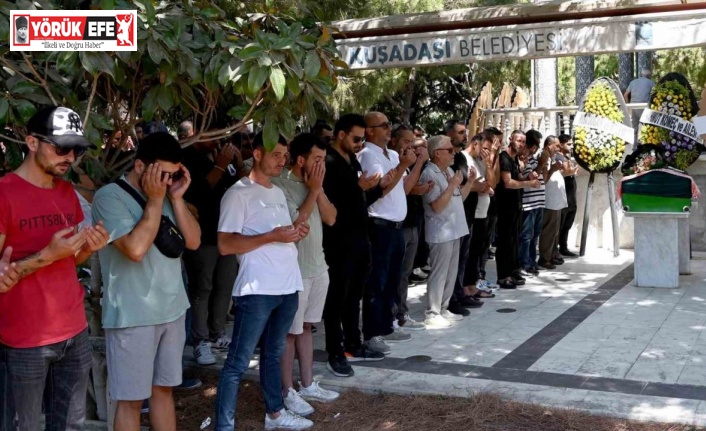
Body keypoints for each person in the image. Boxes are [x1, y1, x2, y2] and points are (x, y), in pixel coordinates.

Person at [0, 106, 109, 429]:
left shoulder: (65, 193)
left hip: (73, 332)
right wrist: (45, 255)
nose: (70, 157)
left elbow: (70, 261)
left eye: (76, 149)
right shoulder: (4, 194)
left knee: (71, 425)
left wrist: (87, 247)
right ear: (31, 142)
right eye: (61, 148)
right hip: (22, 340)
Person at [93, 132, 201, 431]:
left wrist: (176, 200)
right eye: (162, 174)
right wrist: (155, 201)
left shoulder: (167, 194)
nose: (167, 181)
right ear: (140, 166)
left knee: (163, 390)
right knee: (130, 400)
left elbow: (193, 241)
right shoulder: (109, 197)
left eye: (173, 174)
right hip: (133, 315)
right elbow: (135, 249)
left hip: (173, 309)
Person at [215, 133, 312, 431]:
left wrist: (295, 233)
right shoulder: (237, 193)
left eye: (284, 155)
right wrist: (273, 236)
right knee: (237, 363)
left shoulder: (277, 192)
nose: (282, 160)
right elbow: (225, 245)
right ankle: (224, 425)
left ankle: (275, 414)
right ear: (257, 154)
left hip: (286, 286)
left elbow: (279, 235)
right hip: (256, 290)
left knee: (273, 353)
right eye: (276, 154)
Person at [272, 134, 340, 418]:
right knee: (289, 333)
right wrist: (313, 190)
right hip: (293, 273)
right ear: (301, 160)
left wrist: (318, 189)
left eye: (324, 160)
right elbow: (294, 222)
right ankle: (287, 391)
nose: (322, 166)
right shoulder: (280, 185)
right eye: (317, 160)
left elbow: (331, 217)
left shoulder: (316, 184)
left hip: (318, 267)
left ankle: (308, 383)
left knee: (308, 328)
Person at [322, 114, 386, 378]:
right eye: (357, 138)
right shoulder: (327, 160)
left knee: (353, 296)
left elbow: (359, 199)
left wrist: (375, 188)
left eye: (362, 138)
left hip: (360, 237)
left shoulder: (351, 160)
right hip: (338, 240)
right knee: (336, 298)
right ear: (340, 134)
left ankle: (352, 343)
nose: (360, 143)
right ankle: (334, 352)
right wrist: (357, 188)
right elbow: (329, 200)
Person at [358, 111, 416, 354]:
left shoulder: (392, 154)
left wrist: (413, 165)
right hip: (379, 225)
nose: (388, 128)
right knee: (377, 282)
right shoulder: (367, 155)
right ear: (369, 130)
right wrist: (403, 165)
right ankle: (372, 333)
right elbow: (381, 189)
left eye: (388, 123)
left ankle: (386, 325)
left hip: (396, 226)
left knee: (392, 281)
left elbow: (402, 188)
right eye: (382, 125)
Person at [182, 135, 243, 365]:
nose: (221, 140)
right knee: (202, 287)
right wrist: (220, 164)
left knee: (225, 284)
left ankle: (218, 333)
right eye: (215, 135)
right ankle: (200, 340)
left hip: (227, 233)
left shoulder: (220, 156)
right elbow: (199, 193)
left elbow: (238, 188)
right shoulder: (188, 158)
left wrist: (236, 164)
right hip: (203, 235)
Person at [420, 136, 476, 328]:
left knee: (451, 274)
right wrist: (452, 185)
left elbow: (458, 199)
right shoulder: (430, 173)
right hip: (440, 231)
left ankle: (444, 308)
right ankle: (432, 312)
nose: (454, 153)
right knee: (439, 273)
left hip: (455, 230)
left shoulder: (448, 171)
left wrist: (468, 183)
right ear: (437, 153)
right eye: (449, 150)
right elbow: (436, 206)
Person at [390, 125, 430, 331]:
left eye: (411, 142)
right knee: (394, 274)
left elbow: (406, 188)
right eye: (406, 141)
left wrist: (419, 189)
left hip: (412, 221)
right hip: (397, 226)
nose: (410, 146)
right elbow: (400, 189)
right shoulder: (394, 161)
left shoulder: (405, 163)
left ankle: (402, 313)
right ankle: (391, 316)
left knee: (404, 274)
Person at [495, 130, 540, 289]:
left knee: (514, 240)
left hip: (516, 205)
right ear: (510, 139)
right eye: (518, 141)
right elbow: (507, 182)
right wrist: (529, 184)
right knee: (505, 242)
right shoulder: (504, 158)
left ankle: (513, 271)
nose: (521, 144)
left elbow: (517, 178)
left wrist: (527, 177)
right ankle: (503, 276)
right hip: (505, 206)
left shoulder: (514, 159)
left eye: (523, 141)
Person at [462, 132, 498, 296]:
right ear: (475, 143)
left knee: (477, 252)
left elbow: (492, 183)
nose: (486, 153)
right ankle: (464, 287)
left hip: (483, 213)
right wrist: (481, 185)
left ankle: (472, 284)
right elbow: (472, 185)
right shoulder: (463, 159)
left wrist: (489, 164)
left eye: (489, 150)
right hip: (470, 214)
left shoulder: (481, 161)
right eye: (484, 149)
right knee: (467, 254)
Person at [537, 136, 568, 270]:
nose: (559, 148)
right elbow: (544, 179)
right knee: (548, 231)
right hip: (549, 201)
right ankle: (545, 257)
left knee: (555, 231)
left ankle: (552, 254)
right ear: (549, 145)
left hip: (556, 202)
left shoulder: (552, 157)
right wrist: (553, 169)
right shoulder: (543, 157)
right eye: (556, 146)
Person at [518, 130, 545, 276]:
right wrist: (541, 164)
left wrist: (543, 164)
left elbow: (542, 177)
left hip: (539, 201)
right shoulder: (524, 160)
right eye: (537, 144)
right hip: (528, 202)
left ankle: (532, 262)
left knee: (535, 234)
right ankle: (524, 263)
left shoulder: (533, 159)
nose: (537, 148)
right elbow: (532, 177)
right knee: (526, 236)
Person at [557, 134, 579, 257]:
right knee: (561, 223)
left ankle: (563, 246)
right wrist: (570, 171)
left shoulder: (567, 157)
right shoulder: (558, 157)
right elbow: (562, 173)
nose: (571, 146)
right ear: (560, 144)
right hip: (563, 195)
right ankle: (557, 248)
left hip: (571, 195)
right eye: (569, 144)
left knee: (568, 223)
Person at [625, 69, 656, 139]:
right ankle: (641, 146)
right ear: (649, 76)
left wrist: (628, 106)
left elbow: (625, 95)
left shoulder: (632, 82)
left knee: (633, 129)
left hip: (632, 107)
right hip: (645, 107)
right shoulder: (651, 83)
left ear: (640, 74)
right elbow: (655, 95)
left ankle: (633, 147)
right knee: (644, 129)